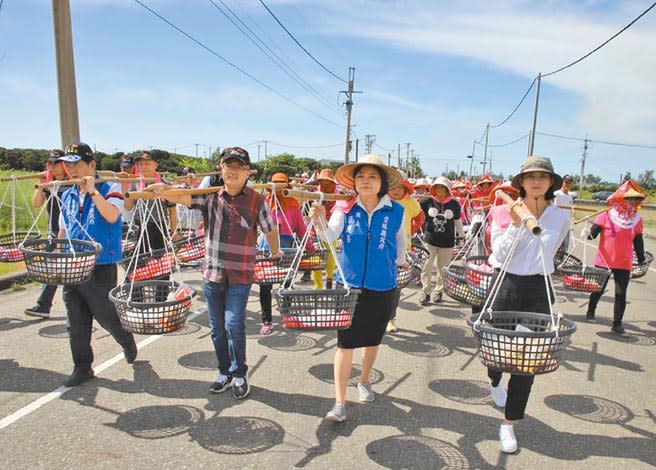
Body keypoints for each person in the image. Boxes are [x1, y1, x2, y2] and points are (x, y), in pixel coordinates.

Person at [146, 147, 282, 400]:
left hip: (241, 275)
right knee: (217, 328)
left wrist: (275, 251)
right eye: (228, 166)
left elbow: (270, 228)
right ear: (221, 169)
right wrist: (163, 189)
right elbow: (183, 198)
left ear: (247, 172)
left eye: (238, 167)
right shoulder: (209, 197)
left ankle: (239, 373)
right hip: (213, 274)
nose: (232, 171)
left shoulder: (256, 200)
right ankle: (224, 372)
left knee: (234, 324)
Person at [308, 154, 407, 423]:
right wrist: (318, 220)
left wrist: (394, 263)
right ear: (354, 182)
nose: (366, 181)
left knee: (372, 340)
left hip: (383, 286)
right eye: (361, 177)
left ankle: (364, 381)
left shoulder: (396, 211)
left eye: (372, 177)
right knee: (345, 343)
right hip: (348, 285)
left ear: (382, 182)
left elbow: (401, 249)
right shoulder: (344, 209)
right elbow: (328, 237)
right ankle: (339, 403)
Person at [486, 155, 570, 453]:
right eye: (530, 177)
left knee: (527, 361)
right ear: (521, 182)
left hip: (539, 289)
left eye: (543, 177)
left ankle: (509, 423)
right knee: (496, 353)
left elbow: (553, 252)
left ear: (550, 183)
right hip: (507, 283)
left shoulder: (561, 217)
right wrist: (517, 224)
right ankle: (494, 380)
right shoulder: (504, 210)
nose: (536, 182)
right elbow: (499, 253)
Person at [56, 142, 137, 387]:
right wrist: (60, 255)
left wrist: (93, 191)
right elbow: (63, 228)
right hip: (73, 265)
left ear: (91, 165)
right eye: (68, 166)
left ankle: (125, 338)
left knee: (104, 313)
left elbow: (112, 215)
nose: (72, 170)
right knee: (76, 320)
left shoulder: (110, 187)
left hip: (101, 263)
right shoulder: (67, 193)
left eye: (77, 165)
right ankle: (82, 367)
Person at [585, 180, 646, 335]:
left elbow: (638, 240)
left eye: (634, 199)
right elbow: (592, 235)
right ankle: (591, 311)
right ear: (620, 198)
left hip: (624, 261)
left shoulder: (636, 219)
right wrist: (589, 231)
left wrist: (641, 258)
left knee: (620, 293)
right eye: (628, 198)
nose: (631, 202)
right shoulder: (606, 214)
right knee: (598, 289)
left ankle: (617, 323)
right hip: (604, 260)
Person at [258, 172, 313, 335]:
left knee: (286, 284)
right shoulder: (265, 202)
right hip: (266, 246)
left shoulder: (293, 204)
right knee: (265, 285)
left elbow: (301, 229)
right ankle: (266, 320)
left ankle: (287, 316)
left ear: (287, 185)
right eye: (275, 184)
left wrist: (310, 247)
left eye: (282, 184)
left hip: (287, 248)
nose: (278, 188)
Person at [24, 149, 68, 318]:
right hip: (53, 231)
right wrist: (41, 182)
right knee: (51, 269)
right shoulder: (48, 184)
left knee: (78, 269)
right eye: (49, 163)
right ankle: (43, 305)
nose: (52, 166)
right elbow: (36, 203)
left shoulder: (71, 182)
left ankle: (89, 304)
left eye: (56, 163)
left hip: (72, 232)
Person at [419, 176, 464, 306]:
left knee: (442, 268)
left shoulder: (454, 204)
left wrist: (461, 234)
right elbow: (416, 211)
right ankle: (426, 291)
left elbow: (457, 220)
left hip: (447, 241)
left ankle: (439, 291)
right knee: (426, 266)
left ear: (447, 189)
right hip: (430, 239)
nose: (439, 190)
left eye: (442, 187)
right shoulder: (427, 202)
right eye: (437, 187)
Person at [387, 178, 424, 332]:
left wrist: (411, 231)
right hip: (382, 250)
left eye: (400, 188)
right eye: (393, 186)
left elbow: (420, 217)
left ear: (406, 191)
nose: (396, 190)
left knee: (396, 287)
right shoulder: (381, 201)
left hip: (402, 249)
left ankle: (391, 319)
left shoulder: (411, 203)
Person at [311, 168, 340, 290]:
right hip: (315, 230)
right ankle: (317, 286)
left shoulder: (338, 196)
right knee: (315, 259)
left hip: (331, 229)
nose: (324, 184)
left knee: (330, 258)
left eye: (327, 182)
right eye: (322, 181)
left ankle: (329, 278)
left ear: (332, 183)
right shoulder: (315, 193)